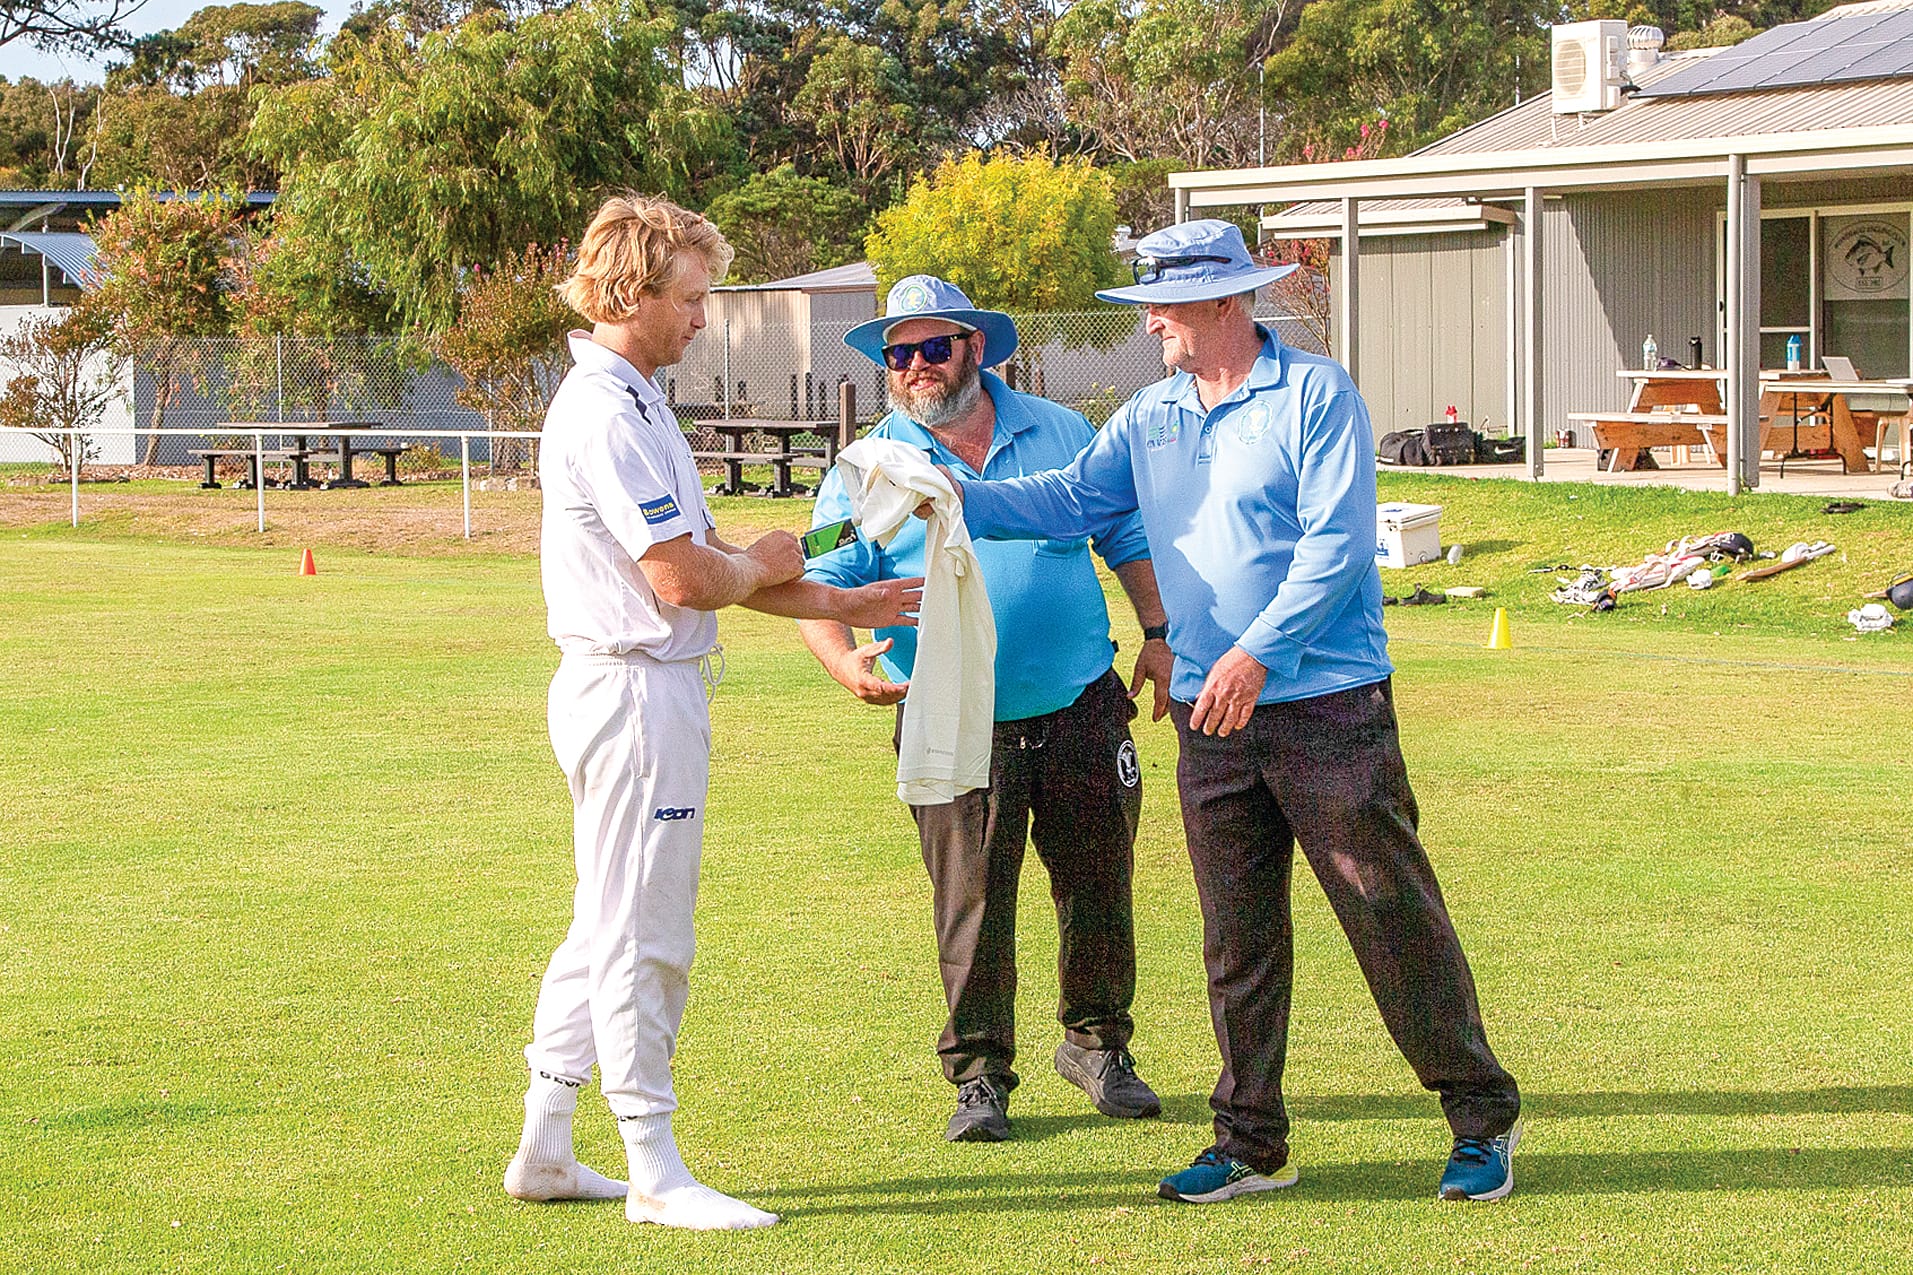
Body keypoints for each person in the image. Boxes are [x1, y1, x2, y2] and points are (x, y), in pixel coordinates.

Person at [942, 221, 1523, 1203]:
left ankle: (1479, 1117)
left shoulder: (1313, 397)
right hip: (1211, 718)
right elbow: (1070, 499)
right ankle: (1250, 1140)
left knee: (1386, 913)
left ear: (1223, 303)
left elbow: (1334, 549)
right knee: (1235, 935)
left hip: (1326, 708)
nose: (1150, 322)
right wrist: (951, 495)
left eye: (1163, 305)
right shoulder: (1151, 413)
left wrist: (1258, 653)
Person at [502, 194, 921, 1231]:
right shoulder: (603, 408)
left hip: (647, 687)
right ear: (629, 293)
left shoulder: (637, 397)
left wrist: (841, 599)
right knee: (645, 933)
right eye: (691, 298)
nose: (704, 317)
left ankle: (546, 1149)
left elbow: (717, 569)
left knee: (602, 920)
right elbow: (687, 580)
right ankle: (653, 1168)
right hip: (633, 694)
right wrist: (761, 564)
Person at [799, 275, 1174, 1143]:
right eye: (900, 354)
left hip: (1081, 702)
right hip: (951, 720)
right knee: (971, 905)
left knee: (1099, 888)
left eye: (935, 347)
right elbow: (820, 577)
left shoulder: (1064, 431)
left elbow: (1125, 537)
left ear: (977, 348)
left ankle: (1097, 1046)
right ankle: (978, 1077)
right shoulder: (866, 466)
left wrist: (1157, 633)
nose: (917, 367)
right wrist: (839, 659)